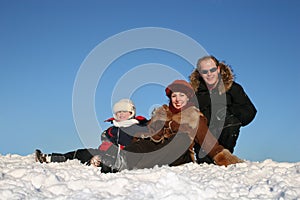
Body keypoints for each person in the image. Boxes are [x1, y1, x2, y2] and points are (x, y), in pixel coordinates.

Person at [95, 80, 243, 173]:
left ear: (188, 97)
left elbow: (209, 142)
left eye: (181, 95)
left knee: (180, 138)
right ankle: (121, 161)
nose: (177, 99)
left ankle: (130, 163)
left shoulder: (194, 117)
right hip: (157, 148)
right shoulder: (161, 114)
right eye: (174, 96)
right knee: (144, 143)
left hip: (179, 154)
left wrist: (226, 159)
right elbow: (145, 133)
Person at [35, 99, 148, 172]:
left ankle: (100, 162)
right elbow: (105, 142)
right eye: (118, 112)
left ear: (131, 113)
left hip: (125, 159)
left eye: (124, 111)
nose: (121, 114)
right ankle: (51, 158)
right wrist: (104, 144)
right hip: (107, 154)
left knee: (109, 156)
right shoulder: (112, 129)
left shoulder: (138, 127)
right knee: (84, 152)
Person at [189, 55, 257, 164]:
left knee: (230, 121)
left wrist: (228, 111)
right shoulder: (193, 93)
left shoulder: (233, 88)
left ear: (218, 69)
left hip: (226, 136)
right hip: (203, 141)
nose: (209, 74)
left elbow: (250, 111)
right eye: (205, 71)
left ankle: (225, 157)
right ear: (200, 73)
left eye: (212, 70)